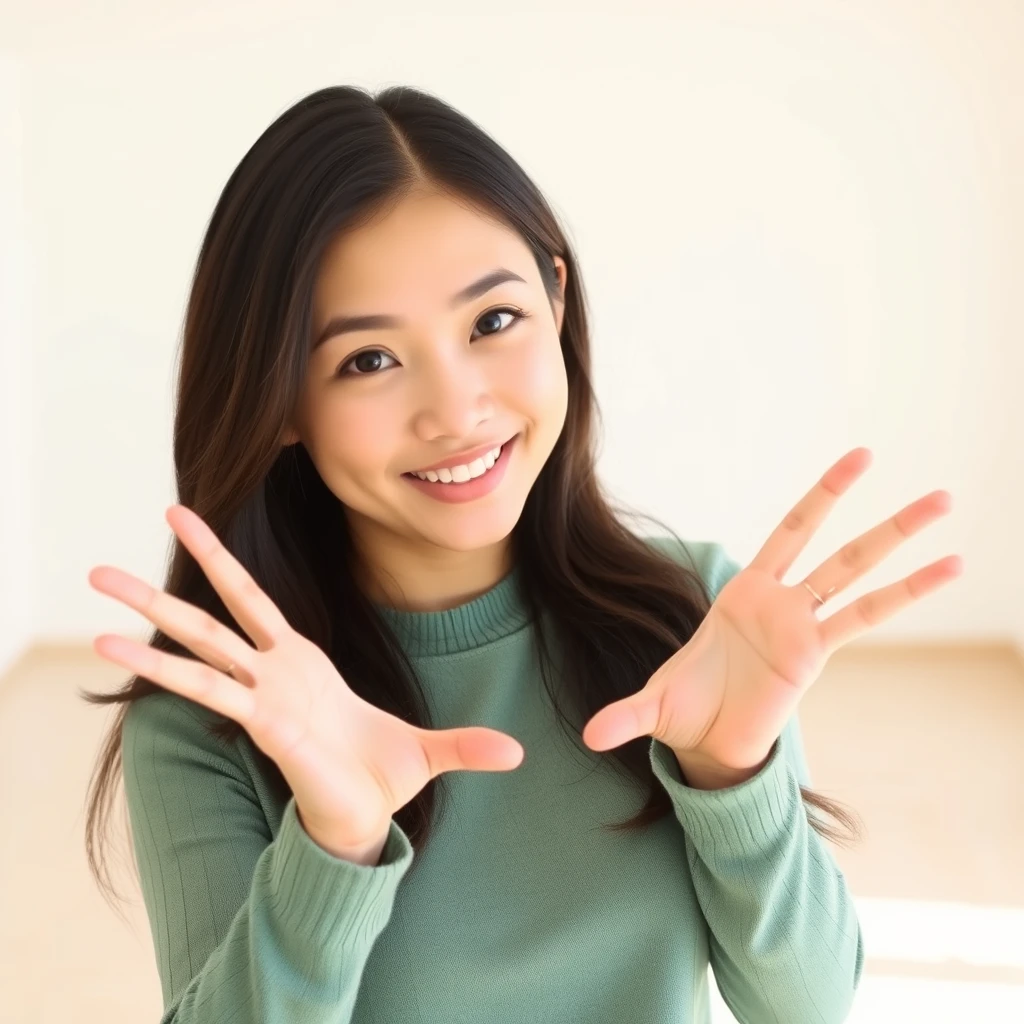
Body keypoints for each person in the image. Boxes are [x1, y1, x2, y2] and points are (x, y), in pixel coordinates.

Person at [80, 83, 907, 1024]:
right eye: (368, 361)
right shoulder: (216, 718)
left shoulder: (698, 620)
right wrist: (334, 847)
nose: (457, 409)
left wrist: (735, 778)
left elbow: (806, 1008)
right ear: (278, 405)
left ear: (555, 297)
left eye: (493, 322)